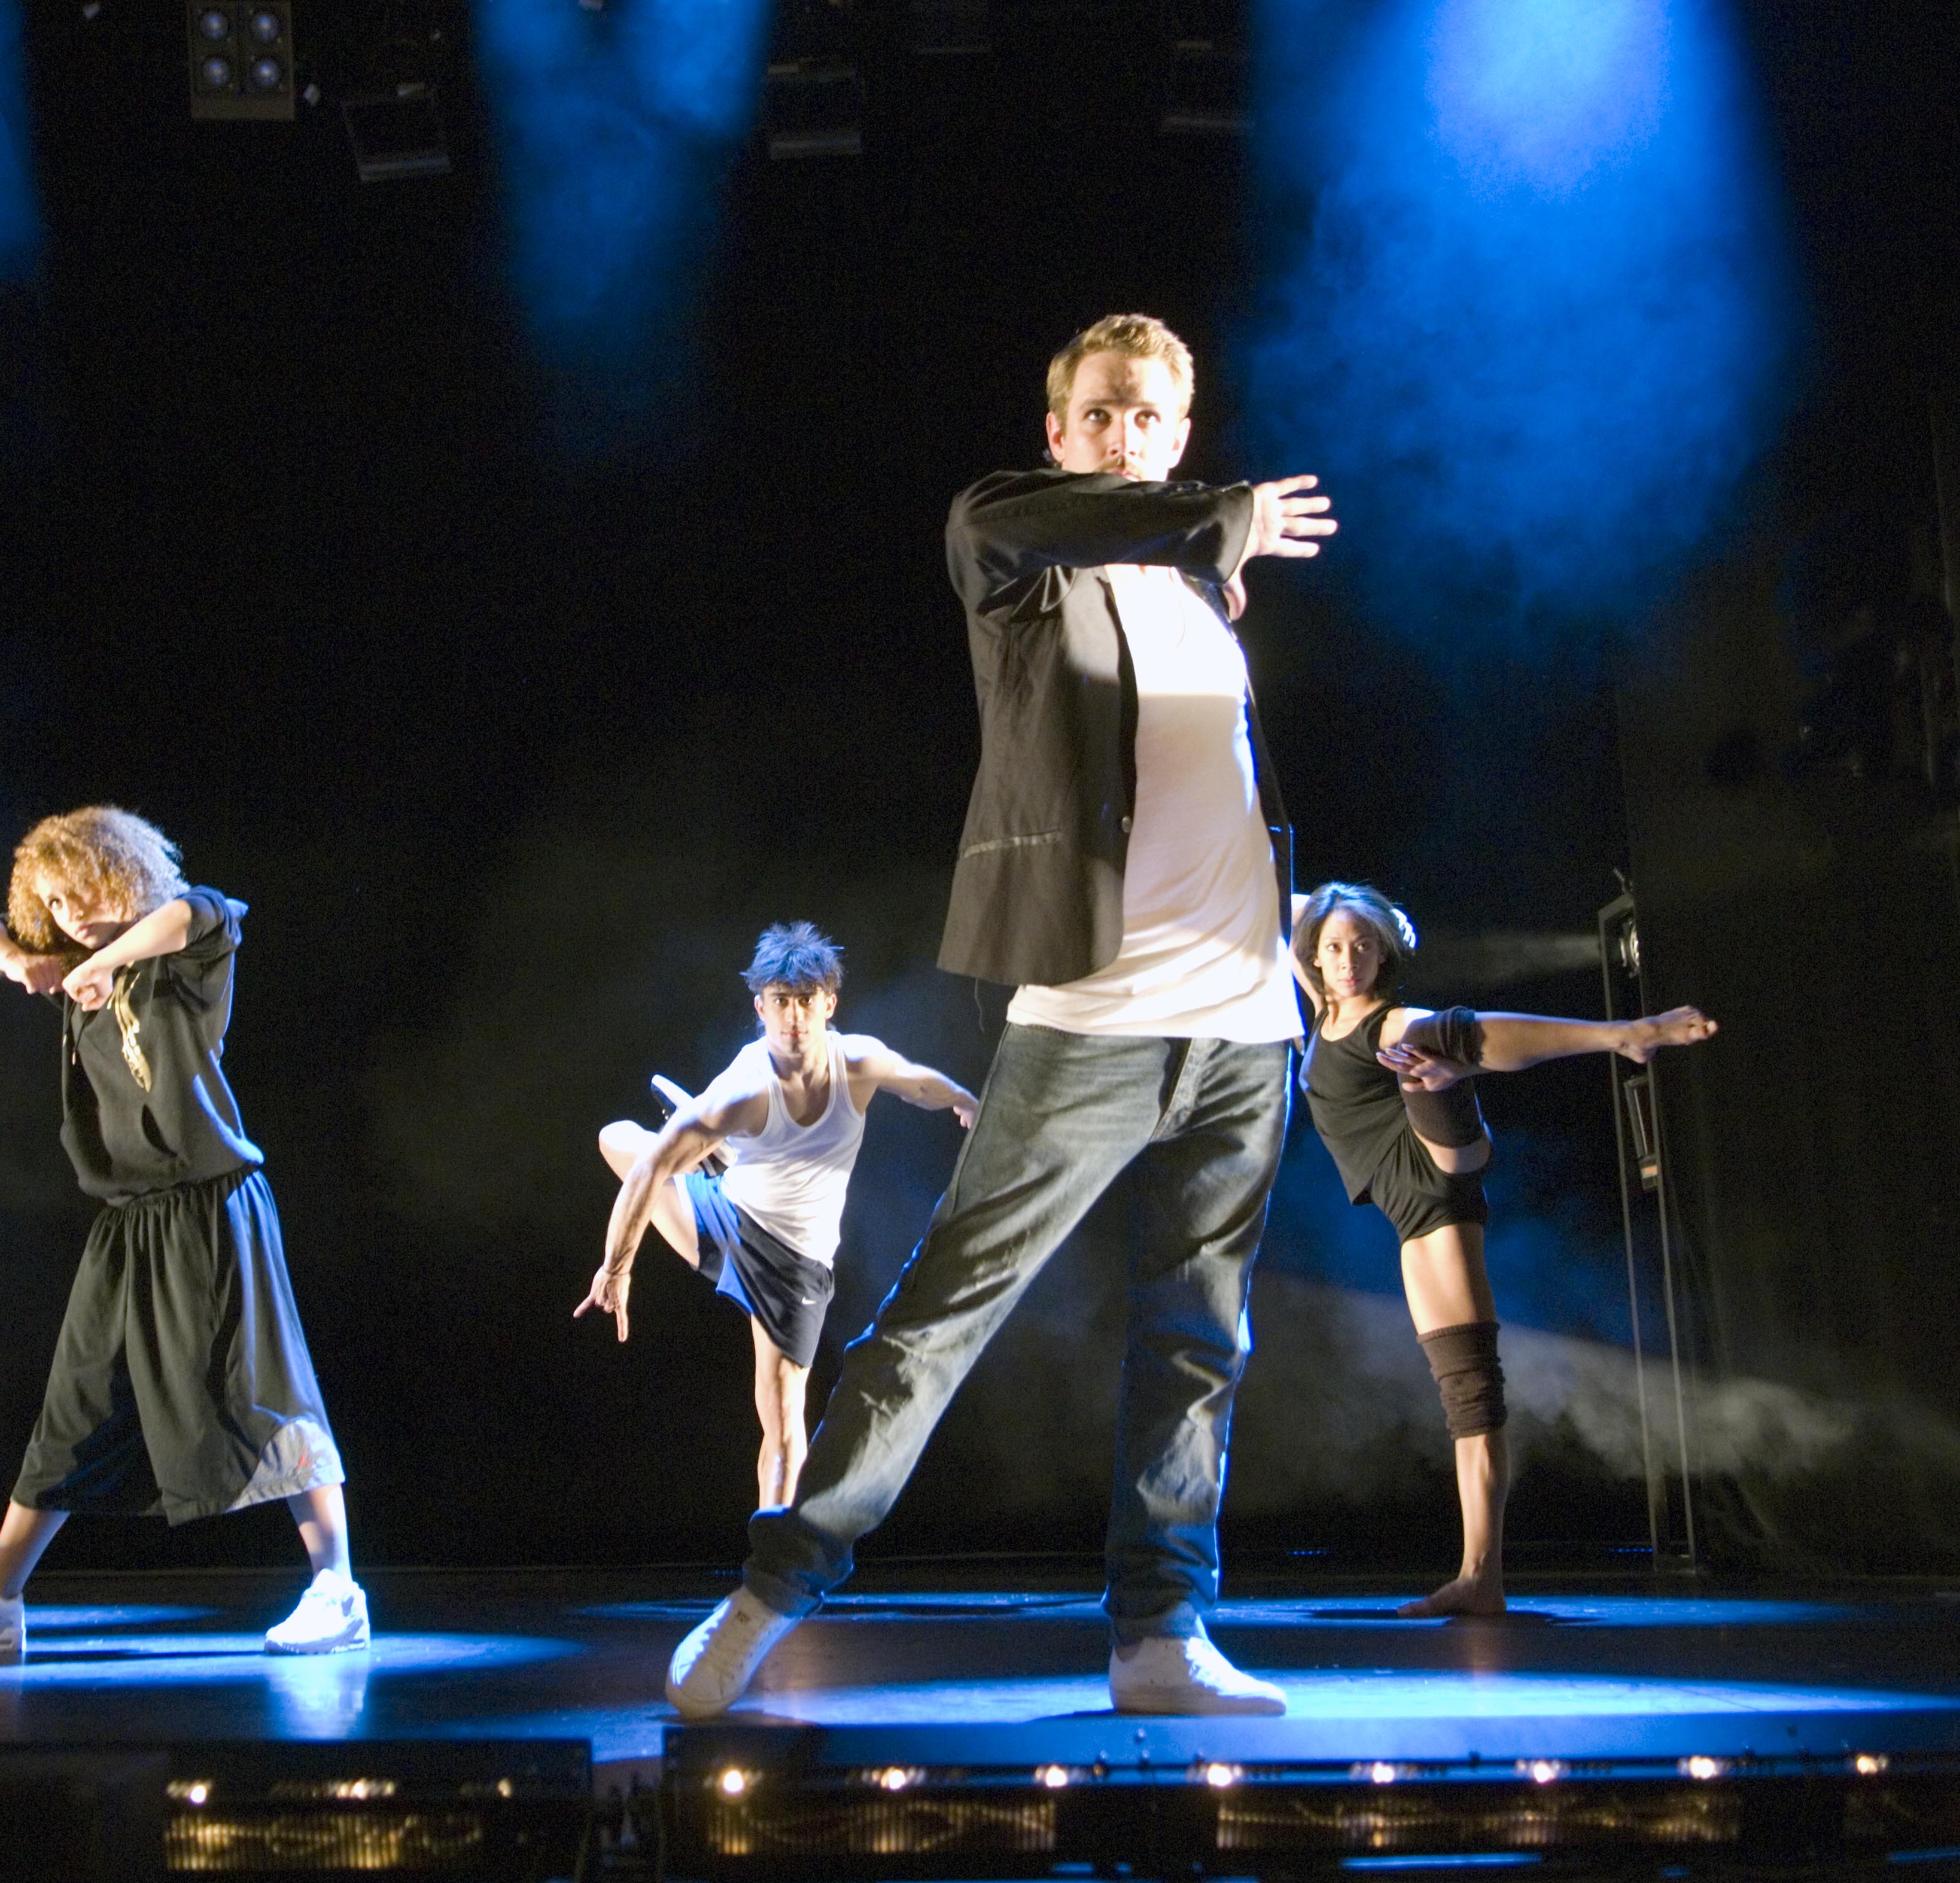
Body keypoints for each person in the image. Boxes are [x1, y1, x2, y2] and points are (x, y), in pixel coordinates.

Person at [666, 313, 1336, 1719]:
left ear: (1178, 434)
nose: (1123, 438)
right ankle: (771, 1589)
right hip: (1093, 1013)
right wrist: (1214, 519)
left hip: (1241, 1027)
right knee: (942, 1317)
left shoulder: (1200, 588)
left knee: (1197, 1336)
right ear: (1057, 433)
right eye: (1100, 414)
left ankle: (1159, 1635)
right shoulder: (1019, 555)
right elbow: (1015, 523)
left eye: (1148, 418)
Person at [0, 806, 366, 1658]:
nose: (69, 912)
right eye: (53, 900)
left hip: (212, 1202)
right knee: (76, 1401)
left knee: (262, 1390)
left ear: (122, 873)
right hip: (127, 1220)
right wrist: (24, 960)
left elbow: (197, 910)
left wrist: (100, 963)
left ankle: (337, 1589)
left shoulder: (187, 945)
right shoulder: (70, 960)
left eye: (81, 891)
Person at [1293, 880, 1717, 1617]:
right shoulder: (1319, 1004)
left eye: (1364, 945)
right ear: (1316, 957)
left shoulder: (1388, 1020)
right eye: (1335, 947)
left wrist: (1619, 1032)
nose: (1348, 959)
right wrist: (1338, 901)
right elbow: (1281, 892)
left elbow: (1460, 1024)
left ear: (1386, 953)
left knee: (1432, 1043)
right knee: (1459, 1388)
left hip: (1437, 1176)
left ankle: (1481, 1575)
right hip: (1406, 1201)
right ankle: (1473, 1576)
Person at [578, 921, 979, 1512]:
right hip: (730, 1217)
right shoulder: (743, 1088)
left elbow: (916, 1082)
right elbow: (647, 1168)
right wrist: (617, 1267)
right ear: (761, 1007)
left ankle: (773, 1544)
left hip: (795, 1264)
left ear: (829, 1004)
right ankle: (713, 1154)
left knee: (784, 1414)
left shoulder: (856, 1062)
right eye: (782, 1002)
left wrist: (963, 1099)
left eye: (807, 1001)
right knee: (619, 1139)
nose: (795, 1017)